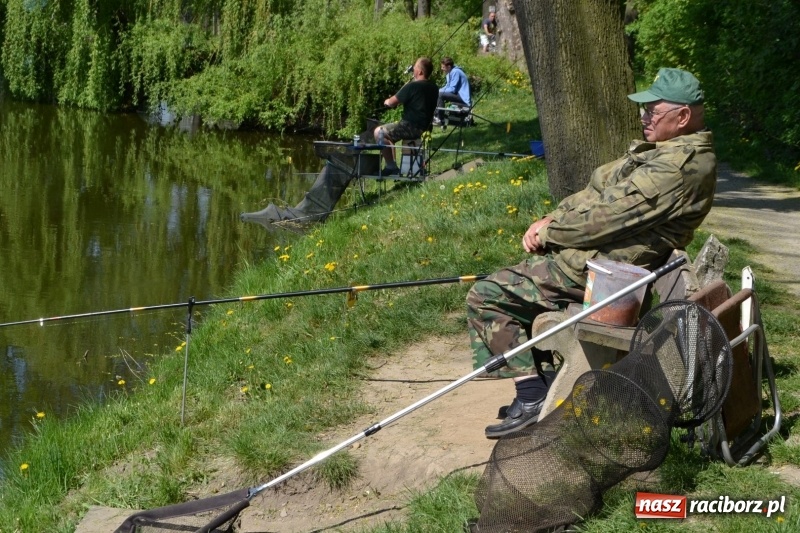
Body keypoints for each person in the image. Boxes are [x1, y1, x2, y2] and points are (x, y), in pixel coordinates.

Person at [467, 67, 717, 438]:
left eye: (652, 111)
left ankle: (533, 395)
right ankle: (544, 385)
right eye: (643, 110)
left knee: (485, 296)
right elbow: (598, 188)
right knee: (507, 284)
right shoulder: (664, 152)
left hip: (605, 278)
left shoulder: (678, 167)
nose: (644, 118)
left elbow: (606, 219)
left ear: (682, 117)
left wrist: (552, 232)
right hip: (599, 264)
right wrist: (552, 218)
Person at [374, 57, 439, 176]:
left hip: (410, 127)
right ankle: (395, 166)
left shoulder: (412, 86)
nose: (413, 69)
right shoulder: (434, 88)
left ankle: (391, 166)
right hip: (425, 127)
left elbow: (392, 102)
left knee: (379, 132)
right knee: (389, 131)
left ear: (420, 72)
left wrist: (387, 101)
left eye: (415, 67)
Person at [433, 57, 472, 126]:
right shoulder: (450, 72)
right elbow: (447, 86)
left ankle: (440, 118)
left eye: (443, 67)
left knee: (440, 95)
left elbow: (452, 89)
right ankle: (436, 115)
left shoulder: (455, 72)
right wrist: (437, 90)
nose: (442, 69)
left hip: (463, 97)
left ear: (449, 66)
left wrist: (439, 91)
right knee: (438, 93)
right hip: (457, 94)